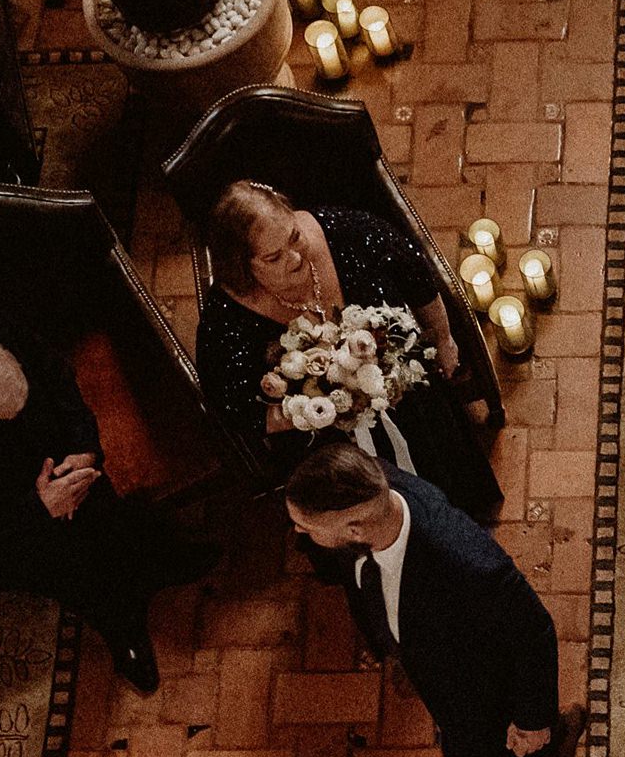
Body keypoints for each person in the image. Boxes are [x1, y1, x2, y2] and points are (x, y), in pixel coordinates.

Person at [0, 305, 218, 694]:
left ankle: (158, 554)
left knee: (113, 516)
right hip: (19, 529)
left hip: (66, 461)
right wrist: (39, 510)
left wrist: (85, 447)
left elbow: (57, 377)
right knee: (78, 571)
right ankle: (120, 626)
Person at [196, 180, 501, 518]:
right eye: (273, 257)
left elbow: (416, 276)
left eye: (294, 236)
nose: (296, 257)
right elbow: (234, 408)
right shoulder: (225, 320)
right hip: (328, 442)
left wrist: (443, 339)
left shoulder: (346, 230)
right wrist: (318, 407)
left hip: (408, 398)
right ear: (244, 266)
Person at [283, 445, 583, 757]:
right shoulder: (367, 490)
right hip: (434, 655)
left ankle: (554, 745)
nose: (300, 533)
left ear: (354, 530)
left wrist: (534, 721)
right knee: (464, 738)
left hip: (479, 670)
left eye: (306, 526)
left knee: (488, 735)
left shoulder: (468, 563)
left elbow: (533, 630)